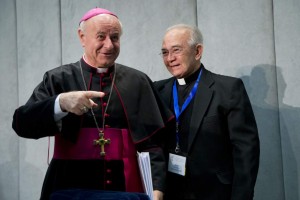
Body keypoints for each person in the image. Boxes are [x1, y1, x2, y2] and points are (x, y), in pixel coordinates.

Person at [12, 8, 173, 200]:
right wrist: (60, 103)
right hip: (68, 185)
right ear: (82, 37)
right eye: (101, 36)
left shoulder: (137, 81)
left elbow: (153, 145)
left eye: (114, 37)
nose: (109, 45)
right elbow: (21, 124)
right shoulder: (58, 78)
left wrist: (157, 192)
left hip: (125, 188)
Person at [154, 24, 260, 200]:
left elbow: (246, 152)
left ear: (197, 51)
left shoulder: (228, 89)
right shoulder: (158, 90)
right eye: (165, 52)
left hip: (215, 193)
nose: (170, 58)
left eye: (176, 50)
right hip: (171, 192)